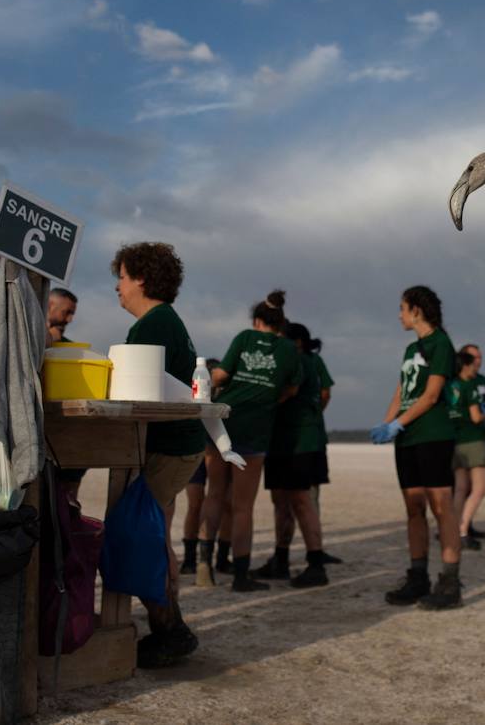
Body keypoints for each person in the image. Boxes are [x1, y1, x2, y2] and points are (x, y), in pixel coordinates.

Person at [110, 242, 209, 668]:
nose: (118, 287)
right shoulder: (165, 321)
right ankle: (171, 627)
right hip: (181, 446)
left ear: (142, 280)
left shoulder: (153, 325)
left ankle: (170, 630)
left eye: (123, 276)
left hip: (170, 447)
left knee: (139, 536)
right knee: (154, 534)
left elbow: (137, 397)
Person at [201, 291, 302, 593]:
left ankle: (204, 566)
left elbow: (219, 377)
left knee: (214, 494)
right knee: (243, 506)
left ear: (257, 321)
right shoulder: (288, 350)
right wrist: (269, 398)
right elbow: (292, 390)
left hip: (224, 422)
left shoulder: (244, 338)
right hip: (256, 430)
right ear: (280, 323)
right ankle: (241, 575)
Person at [369, 285, 463, 611]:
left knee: (441, 507)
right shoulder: (411, 349)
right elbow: (401, 391)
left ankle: (450, 582)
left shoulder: (441, 343)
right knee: (413, 508)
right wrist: (386, 424)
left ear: (416, 311)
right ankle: (417, 576)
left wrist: (400, 423)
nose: (399, 314)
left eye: (402, 308)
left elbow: (432, 395)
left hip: (433, 435)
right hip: (407, 438)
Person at [254, 322, 335, 587]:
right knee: (282, 500)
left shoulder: (300, 361)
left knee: (300, 499)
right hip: (282, 439)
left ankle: (315, 564)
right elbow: (324, 394)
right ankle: (281, 559)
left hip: (298, 440)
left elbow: (288, 391)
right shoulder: (304, 359)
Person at [449, 351, 485, 551]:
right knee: (480, 488)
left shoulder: (451, 385)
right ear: (465, 366)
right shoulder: (469, 385)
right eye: (473, 364)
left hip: (455, 441)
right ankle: (463, 530)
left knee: (460, 489)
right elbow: (475, 417)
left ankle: (452, 531)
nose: (476, 368)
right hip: (473, 440)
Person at [460, 343, 485, 539]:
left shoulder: (483, 381)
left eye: (480, 357)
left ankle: (465, 525)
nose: (478, 361)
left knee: (466, 488)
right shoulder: (466, 381)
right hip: (469, 439)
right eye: (474, 357)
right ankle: (461, 528)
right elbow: (479, 415)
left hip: (476, 438)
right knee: (476, 488)